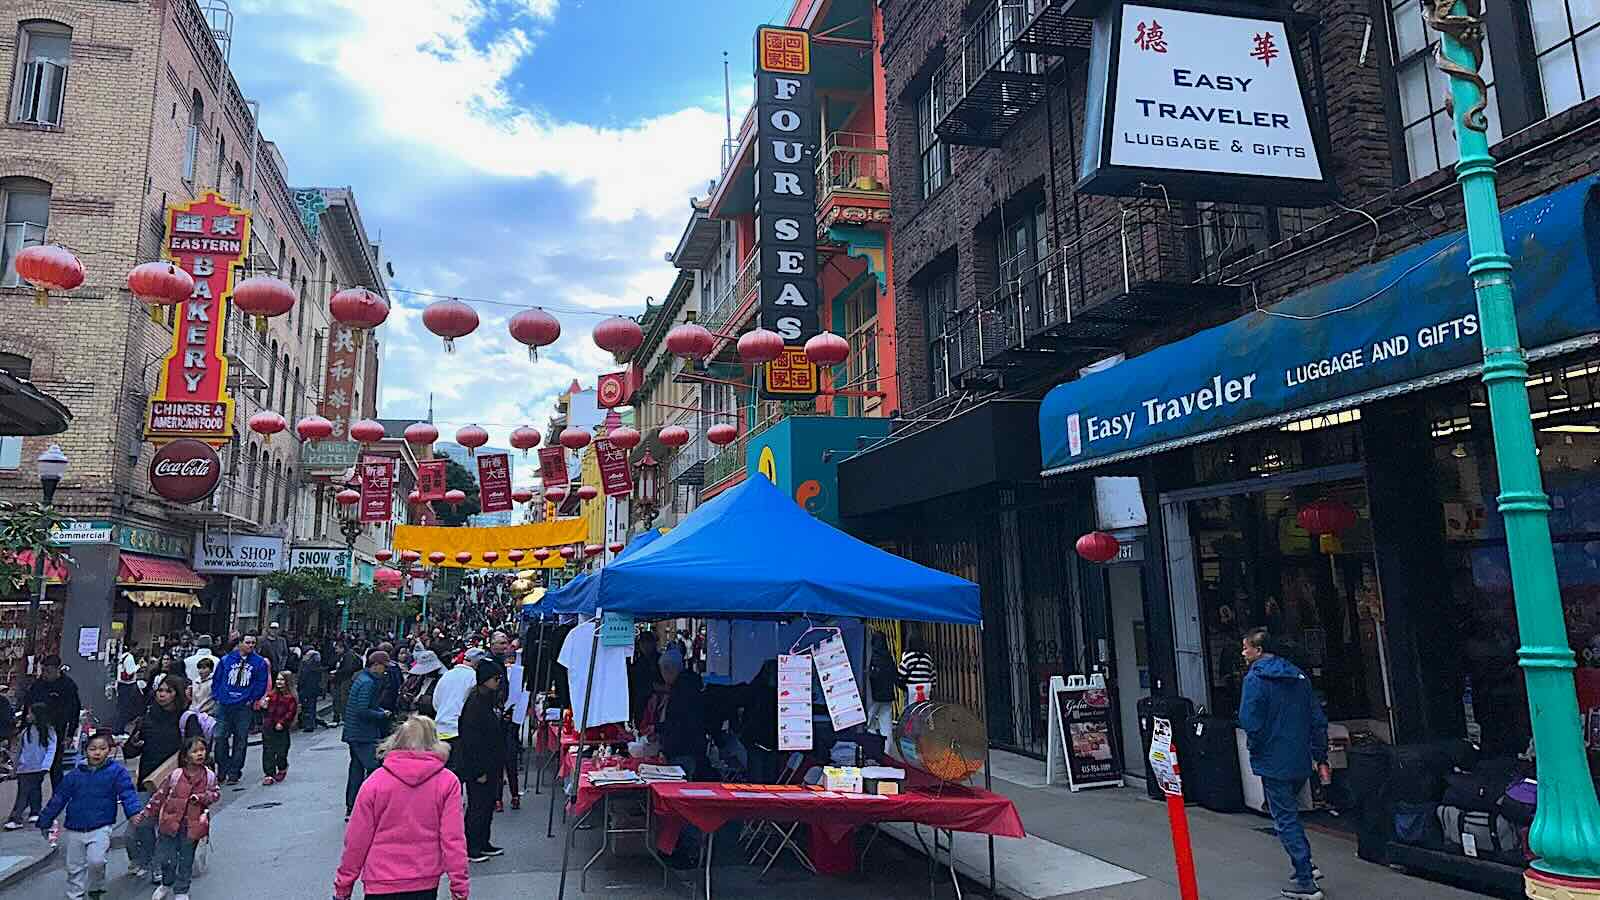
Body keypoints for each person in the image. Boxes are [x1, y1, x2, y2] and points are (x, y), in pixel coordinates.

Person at [333, 715, 470, 900]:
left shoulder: (375, 783)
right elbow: (453, 838)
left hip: (380, 881)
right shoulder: (447, 782)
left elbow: (356, 839)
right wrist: (459, 885)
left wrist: (344, 885)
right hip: (424, 880)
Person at [1238, 628, 1330, 900]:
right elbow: (1317, 720)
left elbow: (1249, 720)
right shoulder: (1299, 677)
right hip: (1299, 756)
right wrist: (1320, 755)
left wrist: (1256, 747)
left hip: (1272, 757)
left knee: (1285, 818)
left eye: (1246, 647)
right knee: (1291, 815)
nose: (1243, 653)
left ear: (1258, 650)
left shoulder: (1255, 679)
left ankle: (1305, 878)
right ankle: (1305, 864)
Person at [37, 731, 142, 900]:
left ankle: (97, 885)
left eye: (102, 748)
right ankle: (75, 895)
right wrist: (45, 819)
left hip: (101, 826)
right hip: (75, 827)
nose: (97, 752)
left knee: (97, 861)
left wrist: (134, 812)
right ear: (86, 750)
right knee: (74, 866)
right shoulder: (74, 775)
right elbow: (59, 798)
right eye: (93, 748)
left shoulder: (116, 772)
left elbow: (127, 793)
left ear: (109, 750)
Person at [124, 675, 202, 883]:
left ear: (176, 694)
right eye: (160, 690)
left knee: (169, 828)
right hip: (148, 781)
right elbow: (129, 751)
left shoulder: (186, 718)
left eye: (168, 691)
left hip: (177, 783)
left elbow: (198, 750)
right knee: (139, 827)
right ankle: (149, 860)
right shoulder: (147, 717)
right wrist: (135, 743)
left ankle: (162, 865)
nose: (162, 694)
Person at [128, 737, 216, 900]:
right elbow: (159, 795)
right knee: (167, 858)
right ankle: (167, 883)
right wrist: (147, 812)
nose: (200, 754)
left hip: (193, 825)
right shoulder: (175, 775)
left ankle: (182, 890)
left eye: (202, 750)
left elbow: (215, 794)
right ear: (185, 756)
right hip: (169, 823)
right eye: (195, 751)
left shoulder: (209, 776)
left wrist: (203, 797)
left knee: (186, 859)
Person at [453, 660, 506, 862]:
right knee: (478, 805)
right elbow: (472, 740)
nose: (498, 682)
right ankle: (472, 846)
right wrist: (478, 770)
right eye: (495, 679)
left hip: (490, 762)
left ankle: (483, 842)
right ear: (485, 680)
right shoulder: (475, 704)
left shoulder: (487, 699)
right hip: (479, 765)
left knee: (487, 804)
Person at [210, 633, 269, 785]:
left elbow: (261, 682)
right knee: (220, 737)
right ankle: (222, 769)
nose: (250, 645)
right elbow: (217, 678)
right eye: (248, 642)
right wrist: (217, 695)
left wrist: (251, 699)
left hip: (243, 706)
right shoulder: (227, 659)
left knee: (240, 739)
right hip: (224, 703)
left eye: (253, 643)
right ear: (240, 643)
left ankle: (234, 771)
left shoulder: (259, 662)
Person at [343, 651, 393, 819]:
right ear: (376, 665)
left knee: (356, 769)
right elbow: (363, 710)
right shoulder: (368, 683)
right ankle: (368, 805)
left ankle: (352, 806)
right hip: (362, 733)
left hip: (354, 732)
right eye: (384, 667)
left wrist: (379, 710)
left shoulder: (362, 678)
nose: (385, 671)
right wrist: (381, 714)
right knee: (373, 768)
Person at [25, 655, 82, 790]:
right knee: (34, 768)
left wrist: (70, 734)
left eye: (48, 671)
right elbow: (28, 702)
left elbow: (74, 712)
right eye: (43, 671)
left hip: (57, 729)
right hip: (37, 729)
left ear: (57, 670)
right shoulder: (38, 684)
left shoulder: (68, 686)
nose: (45, 674)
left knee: (55, 766)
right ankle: (33, 803)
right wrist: (26, 721)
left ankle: (58, 797)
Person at [5, 702, 57, 830]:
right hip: (25, 767)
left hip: (38, 767)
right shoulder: (25, 732)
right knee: (26, 791)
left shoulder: (48, 731)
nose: (28, 716)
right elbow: (19, 751)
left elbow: (51, 749)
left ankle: (18, 817)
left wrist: (46, 765)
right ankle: (30, 813)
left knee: (30, 791)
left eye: (30, 713)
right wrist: (15, 767)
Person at [657, 648, 707, 779]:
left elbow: (676, 722)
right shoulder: (691, 685)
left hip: (682, 749)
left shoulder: (680, 691)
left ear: (668, 670)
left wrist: (658, 729)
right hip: (693, 746)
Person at [433, 648, 488, 765]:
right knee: (457, 772)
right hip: (459, 731)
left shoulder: (446, 675)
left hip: (440, 730)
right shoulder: (475, 678)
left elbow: (436, 703)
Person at [261, 671, 298, 785]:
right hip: (269, 725)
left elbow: (291, 712)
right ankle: (269, 774)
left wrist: (282, 722)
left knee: (281, 751)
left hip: (281, 727)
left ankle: (282, 766)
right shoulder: (271, 695)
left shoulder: (290, 697)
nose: (279, 682)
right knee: (268, 750)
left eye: (282, 680)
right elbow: (265, 711)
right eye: (278, 679)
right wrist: (264, 706)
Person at [867, 629, 897, 737]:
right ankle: (886, 750)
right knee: (886, 725)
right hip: (887, 696)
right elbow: (895, 675)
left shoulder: (870, 657)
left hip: (873, 697)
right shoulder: (888, 657)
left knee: (868, 724)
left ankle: (870, 748)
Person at [400, 649, 445, 719]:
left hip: (429, 717)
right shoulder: (421, 676)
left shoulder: (443, 680)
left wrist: (419, 701)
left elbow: (439, 703)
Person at [896, 635, 937, 704]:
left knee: (911, 709)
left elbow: (900, 673)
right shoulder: (927, 657)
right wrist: (932, 686)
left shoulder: (908, 657)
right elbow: (933, 674)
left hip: (912, 687)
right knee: (924, 708)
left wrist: (903, 687)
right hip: (926, 687)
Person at [330, 642, 361, 726]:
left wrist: (337, 672)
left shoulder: (348, 656)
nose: (336, 651)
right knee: (338, 698)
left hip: (345, 679)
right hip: (339, 679)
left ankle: (344, 717)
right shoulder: (341, 656)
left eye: (337, 648)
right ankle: (338, 717)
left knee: (343, 698)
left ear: (342, 648)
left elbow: (348, 668)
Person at [115, 647, 144, 734]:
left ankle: (118, 728)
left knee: (121, 708)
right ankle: (119, 730)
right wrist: (139, 666)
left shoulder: (123, 656)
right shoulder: (130, 657)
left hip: (121, 684)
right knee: (125, 709)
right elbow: (130, 671)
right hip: (127, 685)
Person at [297, 650, 325, 732]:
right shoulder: (317, 666)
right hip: (314, 689)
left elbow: (302, 678)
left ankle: (309, 725)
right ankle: (312, 723)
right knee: (312, 707)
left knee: (307, 707)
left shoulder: (306, 666)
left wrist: (299, 687)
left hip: (306, 689)